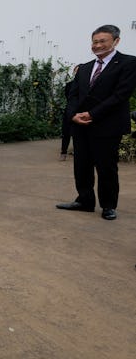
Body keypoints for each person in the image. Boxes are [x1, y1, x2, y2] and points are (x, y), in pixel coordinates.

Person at [56, 24, 136, 221]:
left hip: (107, 126)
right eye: (95, 41)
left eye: (102, 41)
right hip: (80, 125)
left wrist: (92, 114)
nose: (97, 45)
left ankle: (108, 205)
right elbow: (73, 95)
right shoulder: (84, 68)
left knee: (106, 167)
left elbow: (121, 95)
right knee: (81, 166)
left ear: (116, 41)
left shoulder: (128, 63)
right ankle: (84, 200)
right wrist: (73, 115)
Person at [59, 65, 80, 161]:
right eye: (75, 71)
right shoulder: (69, 85)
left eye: (79, 71)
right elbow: (69, 98)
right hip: (70, 111)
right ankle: (63, 152)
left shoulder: (88, 85)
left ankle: (78, 152)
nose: (77, 73)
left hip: (82, 112)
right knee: (66, 132)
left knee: (78, 134)